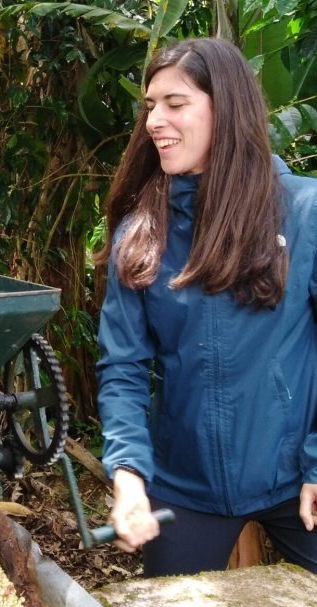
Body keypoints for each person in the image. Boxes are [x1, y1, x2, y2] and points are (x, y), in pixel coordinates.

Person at [96, 36, 317, 577]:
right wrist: (128, 476)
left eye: (176, 103)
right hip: (184, 486)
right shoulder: (141, 235)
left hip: (297, 475)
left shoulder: (304, 212)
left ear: (228, 109)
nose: (155, 121)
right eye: (151, 106)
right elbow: (122, 368)